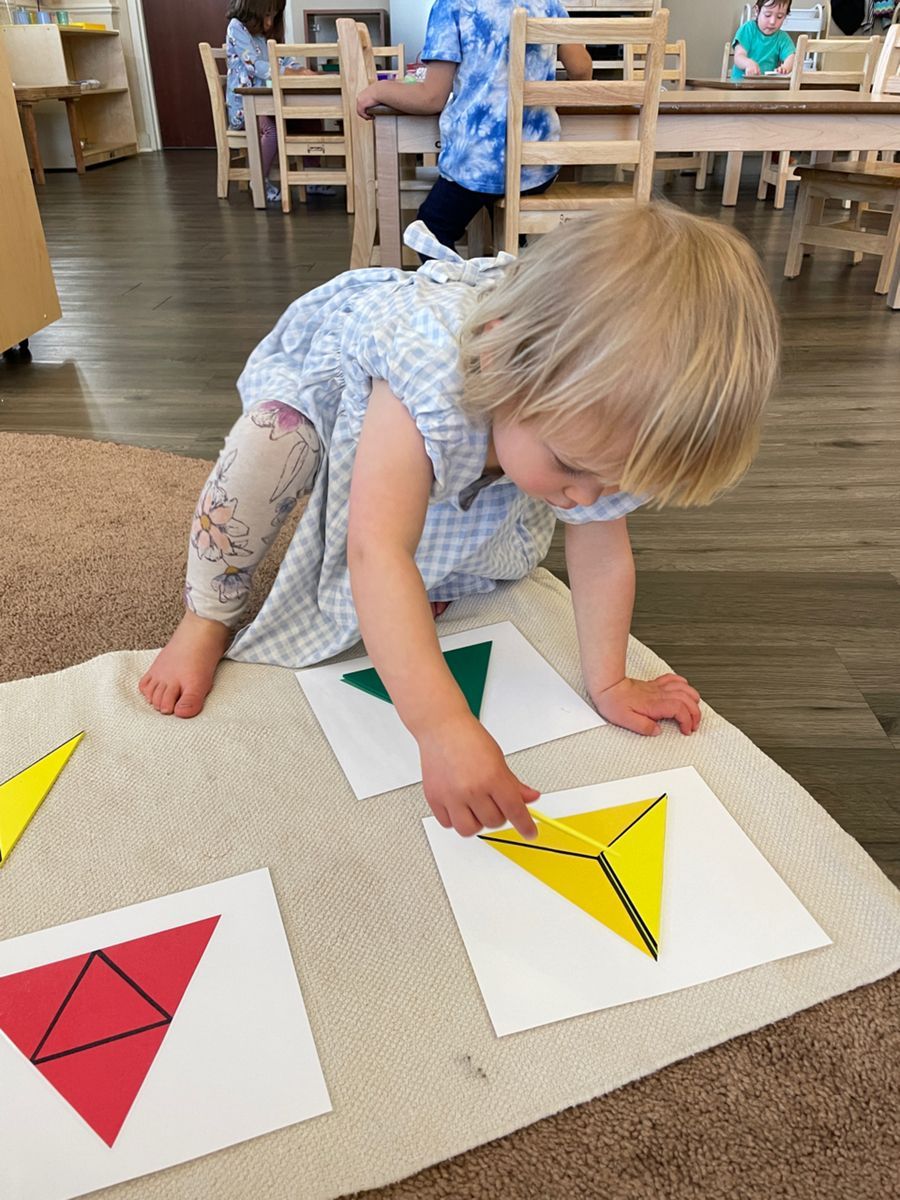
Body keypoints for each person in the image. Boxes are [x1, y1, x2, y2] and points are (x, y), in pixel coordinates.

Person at [139, 204, 779, 842]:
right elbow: (376, 550)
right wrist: (443, 727)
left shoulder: (588, 433)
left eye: (617, 483)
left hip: (486, 413)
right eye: (573, 467)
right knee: (269, 453)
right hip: (325, 393)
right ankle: (206, 614)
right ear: (500, 364)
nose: (587, 500)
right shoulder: (427, 373)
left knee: (481, 503)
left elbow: (603, 552)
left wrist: (608, 680)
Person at [356, 0, 593, 249]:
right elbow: (580, 68)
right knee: (505, 210)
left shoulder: (452, 5)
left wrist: (380, 89)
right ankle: (513, 253)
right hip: (536, 168)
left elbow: (431, 98)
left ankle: (465, 283)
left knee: (429, 232)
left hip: (477, 163)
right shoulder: (549, 3)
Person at [225, 1, 323, 203]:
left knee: (310, 116)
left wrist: (301, 70)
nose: (269, 22)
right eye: (267, 14)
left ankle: (313, 177)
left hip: (272, 102)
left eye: (275, 15)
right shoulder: (237, 27)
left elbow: (285, 60)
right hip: (245, 106)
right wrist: (291, 72)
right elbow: (255, 65)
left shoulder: (266, 34)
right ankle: (258, 181)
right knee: (270, 129)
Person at [732, 1, 797, 80]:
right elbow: (738, 57)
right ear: (757, 11)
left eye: (779, 17)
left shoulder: (782, 38)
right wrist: (748, 63)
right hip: (740, 86)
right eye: (767, 15)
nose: (773, 22)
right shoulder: (748, 29)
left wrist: (785, 68)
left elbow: (791, 58)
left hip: (765, 87)